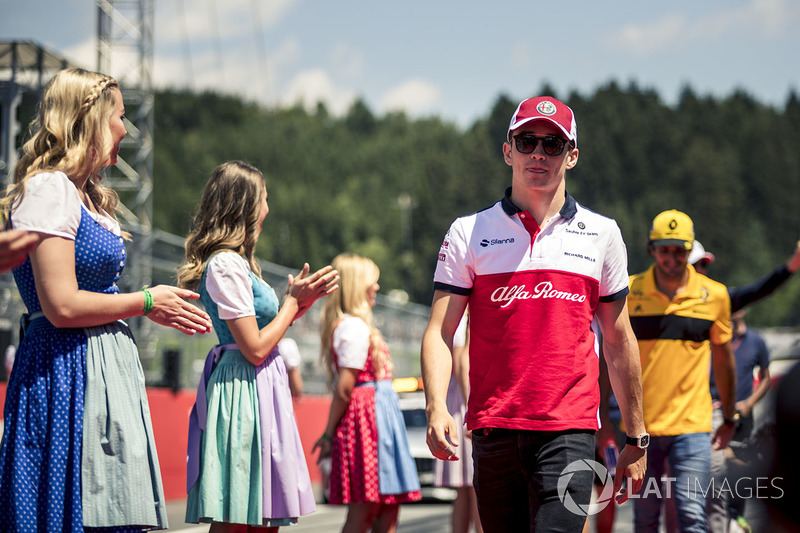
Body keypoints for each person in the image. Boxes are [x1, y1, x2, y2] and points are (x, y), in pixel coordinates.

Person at [421, 96, 648, 533]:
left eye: (553, 144)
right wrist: (436, 406)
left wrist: (636, 435)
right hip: (493, 428)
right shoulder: (469, 231)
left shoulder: (603, 234)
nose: (538, 154)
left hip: (570, 430)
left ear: (572, 155)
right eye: (527, 141)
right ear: (508, 150)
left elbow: (619, 341)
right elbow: (440, 332)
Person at [0, 67, 213, 532]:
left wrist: (147, 305)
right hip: (66, 372)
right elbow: (61, 306)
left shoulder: (89, 197)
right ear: (89, 119)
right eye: (118, 116)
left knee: (113, 512)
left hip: (101, 370)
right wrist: (145, 301)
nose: (125, 128)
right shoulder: (49, 189)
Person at [178, 160, 338, 532]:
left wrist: (296, 308)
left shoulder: (239, 264)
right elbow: (252, 347)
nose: (267, 208)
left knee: (263, 517)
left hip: (260, 386)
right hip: (243, 390)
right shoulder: (224, 265)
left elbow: (261, 336)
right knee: (239, 515)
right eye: (264, 199)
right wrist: (292, 304)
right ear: (245, 205)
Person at [626, 209, 737, 533]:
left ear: (690, 251)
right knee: (645, 521)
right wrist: (606, 418)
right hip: (640, 429)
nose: (671, 258)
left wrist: (730, 418)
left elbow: (724, 361)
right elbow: (611, 357)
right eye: (664, 249)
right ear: (651, 249)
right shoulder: (630, 292)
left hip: (692, 427)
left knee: (692, 517)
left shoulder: (714, 295)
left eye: (679, 251)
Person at [313, 253, 421, 533]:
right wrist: (328, 433)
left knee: (387, 509)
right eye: (372, 283)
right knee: (365, 510)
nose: (376, 289)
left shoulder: (357, 326)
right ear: (356, 287)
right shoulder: (352, 327)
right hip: (369, 423)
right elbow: (345, 387)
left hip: (378, 420)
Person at [706, 308, 771, 533]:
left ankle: (736, 517)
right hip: (712, 413)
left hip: (743, 417)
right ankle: (717, 518)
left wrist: (749, 403)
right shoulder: (714, 338)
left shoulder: (756, 341)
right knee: (717, 465)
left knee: (739, 466)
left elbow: (766, 378)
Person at [433, 311, 482, 533]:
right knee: (478, 489)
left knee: (465, 491)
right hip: (468, 397)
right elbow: (463, 359)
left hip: (460, 399)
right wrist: (471, 406)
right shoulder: (465, 312)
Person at [689, 238, 800, 312]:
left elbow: (758, 290)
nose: (700, 270)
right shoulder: (671, 300)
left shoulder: (714, 298)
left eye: (704, 264)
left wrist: (793, 264)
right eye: (694, 265)